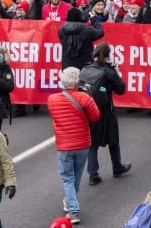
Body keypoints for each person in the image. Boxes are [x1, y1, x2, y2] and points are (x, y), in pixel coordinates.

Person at [47, 67, 101, 224]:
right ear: (77, 81)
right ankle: (69, 201)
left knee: (68, 178)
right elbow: (95, 117)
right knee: (75, 176)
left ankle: (74, 211)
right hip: (83, 144)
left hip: (64, 146)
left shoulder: (52, 100)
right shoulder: (84, 98)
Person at [85, 43, 131, 186]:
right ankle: (117, 167)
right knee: (113, 140)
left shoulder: (86, 69)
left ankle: (93, 175)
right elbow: (121, 89)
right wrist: (116, 72)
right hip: (106, 110)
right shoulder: (108, 72)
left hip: (90, 109)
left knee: (92, 143)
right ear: (107, 56)